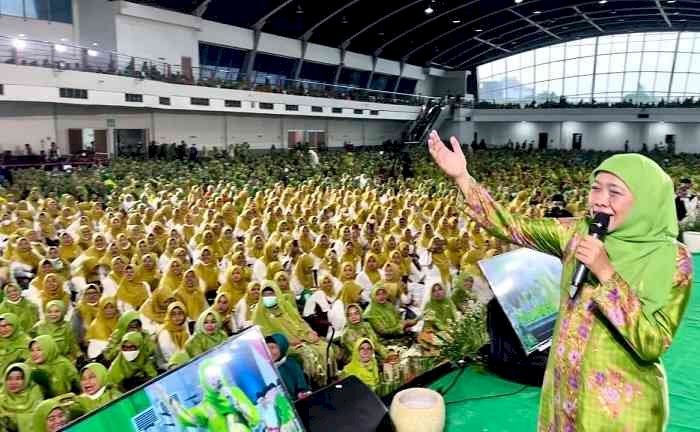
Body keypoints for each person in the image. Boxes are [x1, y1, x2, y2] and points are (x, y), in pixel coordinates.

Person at [428, 130, 693, 431]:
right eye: (596, 188)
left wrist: (606, 273)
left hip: (620, 409)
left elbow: (651, 343)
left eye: (614, 192)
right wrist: (462, 177)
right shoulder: (577, 233)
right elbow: (512, 226)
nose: (600, 201)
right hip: (565, 393)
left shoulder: (671, 260)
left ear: (645, 199)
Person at [157, 358, 260, 431]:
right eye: (210, 377)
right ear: (204, 381)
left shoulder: (234, 392)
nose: (215, 380)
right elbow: (186, 417)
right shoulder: (205, 407)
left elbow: (255, 418)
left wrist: (235, 402)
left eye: (216, 375)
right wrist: (164, 395)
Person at [0, 363, 44, 432]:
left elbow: (40, 417)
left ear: (26, 379)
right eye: (9, 379)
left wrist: (15, 418)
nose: (13, 383)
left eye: (18, 378)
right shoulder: (2, 398)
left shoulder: (35, 393)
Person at [265, 333, 310, 400]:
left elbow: (302, 387)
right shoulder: (264, 367)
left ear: (282, 347)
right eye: (266, 348)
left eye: (272, 347)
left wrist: (301, 394)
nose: (269, 351)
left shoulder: (291, 365)